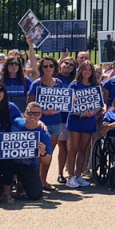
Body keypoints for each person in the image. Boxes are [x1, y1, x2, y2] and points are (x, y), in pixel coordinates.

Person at [27, 57, 64, 190]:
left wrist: (72, 100)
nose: (48, 69)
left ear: (54, 67)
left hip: (56, 122)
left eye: (50, 66)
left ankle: (43, 180)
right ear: (41, 68)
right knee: (37, 153)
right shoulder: (37, 84)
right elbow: (30, 104)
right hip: (40, 123)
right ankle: (35, 181)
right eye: (45, 66)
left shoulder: (59, 83)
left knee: (48, 153)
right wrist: (43, 112)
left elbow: (64, 100)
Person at [65, 61, 103, 189]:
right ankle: (70, 177)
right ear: (80, 70)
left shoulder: (95, 86)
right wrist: (81, 113)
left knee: (83, 149)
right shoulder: (74, 85)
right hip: (76, 119)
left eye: (89, 70)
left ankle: (78, 175)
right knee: (74, 149)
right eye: (84, 69)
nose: (87, 72)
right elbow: (69, 105)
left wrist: (94, 112)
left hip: (89, 120)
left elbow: (99, 105)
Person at [5, 102, 53, 202]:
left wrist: (43, 153)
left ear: (40, 115)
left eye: (36, 114)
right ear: (25, 113)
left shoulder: (44, 134)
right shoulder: (15, 122)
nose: (33, 116)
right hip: (9, 162)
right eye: (30, 113)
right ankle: (4, 190)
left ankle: (22, 183)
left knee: (36, 195)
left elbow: (47, 161)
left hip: (28, 165)